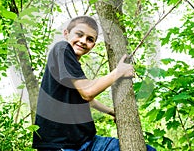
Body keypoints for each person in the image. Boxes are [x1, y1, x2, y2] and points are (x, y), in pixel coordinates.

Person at [32, 16, 156, 151]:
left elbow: (87, 99)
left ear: (93, 45)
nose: (83, 41)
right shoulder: (62, 48)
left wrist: (112, 112)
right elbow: (87, 93)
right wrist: (118, 72)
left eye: (90, 39)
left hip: (87, 141)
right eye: (79, 34)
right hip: (60, 145)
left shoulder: (72, 66)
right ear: (66, 33)